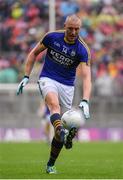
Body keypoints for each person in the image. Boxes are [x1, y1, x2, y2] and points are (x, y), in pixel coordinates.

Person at [17, 14, 92, 174]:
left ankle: (51, 162)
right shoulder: (52, 37)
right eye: (70, 28)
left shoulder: (82, 49)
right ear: (65, 26)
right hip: (48, 78)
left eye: (76, 29)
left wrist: (85, 100)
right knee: (53, 106)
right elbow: (33, 54)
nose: (73, 32)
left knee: (65, 127)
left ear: (80, 29)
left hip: (67, 86)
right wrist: (26, 76)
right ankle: (61, 131)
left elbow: (86, 76)